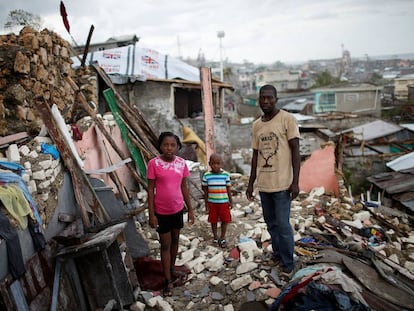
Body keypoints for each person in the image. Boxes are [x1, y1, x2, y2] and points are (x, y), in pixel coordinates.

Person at [246, 84, 300, 277]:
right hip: (264, 184)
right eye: (262, 98)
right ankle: (277, 254)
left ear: (276, 99)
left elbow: (295, 151)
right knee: (271, 224)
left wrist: (295, 181)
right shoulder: (256, 125)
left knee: (283, 225)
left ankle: (288, 263)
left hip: (283, 184)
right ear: (258, 100)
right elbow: (255, 156)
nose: (266, 101)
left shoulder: (287, 119)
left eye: (269, 98)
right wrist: (251, 182)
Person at [147, 131, 195, 296]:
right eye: (165, 144)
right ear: (160, 146)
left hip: (177, 210)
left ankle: (172, 269)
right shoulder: (154, 164)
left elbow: (184, 188)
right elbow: (150, 189)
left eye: (173, 145)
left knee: (175, 241)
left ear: (178, 147)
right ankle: (167, 280)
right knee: (165, 245)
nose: (169, 148)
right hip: (161, 212)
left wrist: (190, 210)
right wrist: (151, 214)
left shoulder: (182, 163)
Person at [202, 153, 233, 248]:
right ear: (209, 164)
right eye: (213, 163)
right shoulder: (206, 176)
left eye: (218, 163)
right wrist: (206, 204)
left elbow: (228, 189)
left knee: (225, 220)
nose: (216, 166)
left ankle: (222, 237)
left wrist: (230, 201)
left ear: (221, 164)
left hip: (223, 202)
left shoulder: (226, 175)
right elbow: (205, 191)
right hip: (212, 203)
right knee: (213, 220)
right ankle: (215, 237)